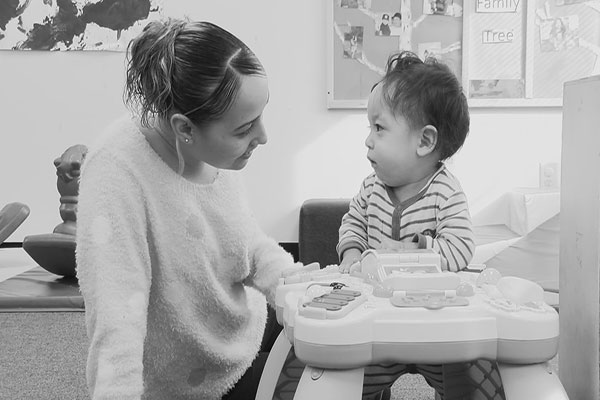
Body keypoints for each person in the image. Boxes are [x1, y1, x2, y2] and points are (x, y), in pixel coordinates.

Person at [75, 18, 316, 400]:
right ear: (184, 127)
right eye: (245, 129)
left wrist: (295, 283)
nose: (264, 137)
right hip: (195, 382)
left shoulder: (202, 150)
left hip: (239, 332)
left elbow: (246, 243)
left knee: (355, 368)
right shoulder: (116, 174)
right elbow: (116, 319)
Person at [337, 51, 475, 400]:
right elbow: (352, 222)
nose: (368, 139)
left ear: (425, 141)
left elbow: (460, 247)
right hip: (378, 323)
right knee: (348, 375)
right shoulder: (371, 187)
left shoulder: (445, 191)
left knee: (466, 381)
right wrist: (351, 254)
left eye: (379, 127)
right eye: (369, 127)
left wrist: (415, 252)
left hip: (436, 326)